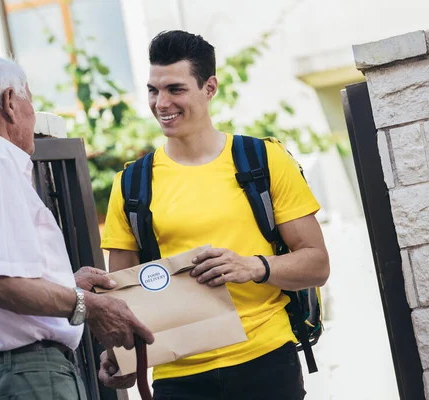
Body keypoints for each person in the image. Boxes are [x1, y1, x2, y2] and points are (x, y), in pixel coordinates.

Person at [98, 31, 330, 399]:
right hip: (178, 376)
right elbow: (123, 295)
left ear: (209, 88)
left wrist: (254, 267)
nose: (161, 103)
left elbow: (317, 264)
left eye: (175, 89)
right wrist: (121, 356)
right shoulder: (130, 184)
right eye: (153, 90)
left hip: (266, 361)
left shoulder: (263, 161)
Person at [0, 57, 154, 400]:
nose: (33, 114)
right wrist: (87, 305)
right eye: (31, 102)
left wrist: (66, 286)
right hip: (21, 378)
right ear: (10, 102)